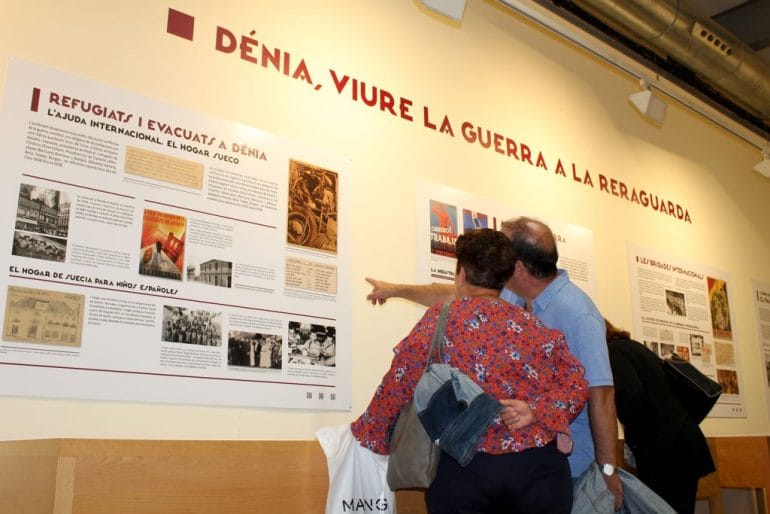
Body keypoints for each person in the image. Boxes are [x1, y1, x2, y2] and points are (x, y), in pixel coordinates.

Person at [366, 216, 623, 510]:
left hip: (478, 468)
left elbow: (400, 379)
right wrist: (396, 289)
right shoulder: (533, 321)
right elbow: (577, 384)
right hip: (541, 470)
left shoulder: (576, 313)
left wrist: (369, 435)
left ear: (517, 268)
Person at [605, 319, 715, 514]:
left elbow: (630, 397)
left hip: (665, 450)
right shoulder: (632, 347)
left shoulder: (613, 352)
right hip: (682, 442)